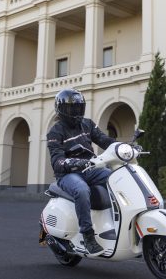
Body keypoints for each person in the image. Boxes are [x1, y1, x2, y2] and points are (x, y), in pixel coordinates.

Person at [47, 88, 116, 255]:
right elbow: (57, 161)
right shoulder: (55, 131)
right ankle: (88, 236)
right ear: (61, 110)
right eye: (72, 108)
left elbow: (104, 140)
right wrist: (76, 162)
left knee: (117, 177)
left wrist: (122, 146)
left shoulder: (87, 124)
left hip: (91, 168)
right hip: (67, 174)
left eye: (78, 107)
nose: (76, 112)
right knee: (81, 190)